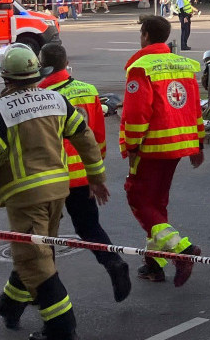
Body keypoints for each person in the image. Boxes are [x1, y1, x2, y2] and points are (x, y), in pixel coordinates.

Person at [0, 44, 107, 340]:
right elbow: (85, 137)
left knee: (34, 259)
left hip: (25, 196)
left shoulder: (1, 110)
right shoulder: (57, 99)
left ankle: (62, 328)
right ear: (36, 73)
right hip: (59, 190)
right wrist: (96, 176)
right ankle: (10, 304)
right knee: (37, 251)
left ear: (6, 78)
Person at [38, 43, 132, 303]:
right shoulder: (89, 91)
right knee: (89, 226)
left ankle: (45, 289)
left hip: (51, 177)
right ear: (66, 61)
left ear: (42, 65)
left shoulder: (39, 95)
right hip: (83, 174)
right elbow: (97, 138)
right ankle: (113, 261)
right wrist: (96, 174)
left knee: (42, 235)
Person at [120, 15, 205, 287]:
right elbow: (195, 107)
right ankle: (154, 263)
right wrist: (198, 143)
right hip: (179, 145)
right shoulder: (183, 65)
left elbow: (136, 114)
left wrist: (132, 146)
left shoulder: (140, 67)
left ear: (145, 35)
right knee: (157, 203)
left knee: (139, 200)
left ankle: (182, 251)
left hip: (151, 146)